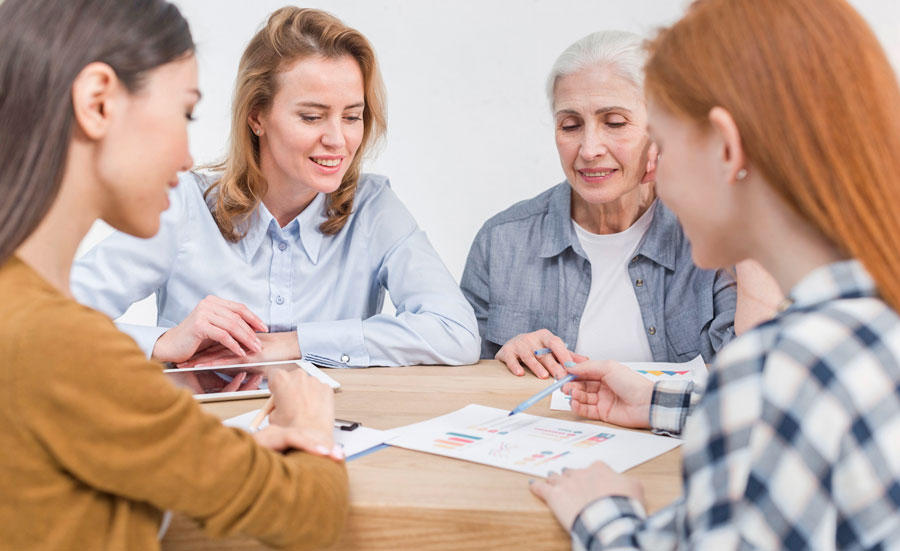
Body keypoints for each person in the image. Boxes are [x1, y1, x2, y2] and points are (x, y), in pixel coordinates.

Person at [531, 0, 900, 547]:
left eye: (664, 144)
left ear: (727, 149)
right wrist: (657, 401)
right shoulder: (865, 321)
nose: (656, 174)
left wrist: (604, 515)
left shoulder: (777, 367)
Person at [0, 1, 349, 548]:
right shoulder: (61, 343)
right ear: (97, 103)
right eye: (184, 113)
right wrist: (308, 425)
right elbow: (310, 514)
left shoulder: (22, 311)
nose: (188, 158)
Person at [71, 7, 480, 369]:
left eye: (352, 116)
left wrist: (290, 344)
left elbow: (455, 332)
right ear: (256, 117)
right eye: (312, 117)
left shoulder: (373, 208)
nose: (338, 140)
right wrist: (162, 342)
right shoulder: (185, 205)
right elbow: (53, 316)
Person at [461, 31, 770, 382]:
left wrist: (732, 208)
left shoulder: (715, 237)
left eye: (615, 123)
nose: (589, 148)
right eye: (571, 125)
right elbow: (464, 379)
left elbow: (763, 371)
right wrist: (503, 358)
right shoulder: (501, 241)